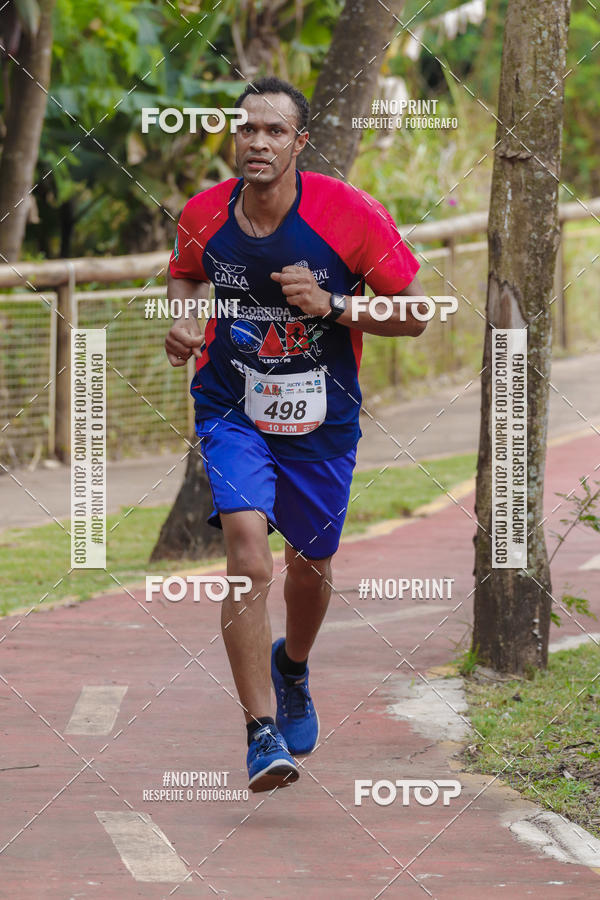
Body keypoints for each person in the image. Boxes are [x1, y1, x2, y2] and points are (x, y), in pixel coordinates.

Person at [165, 76, 427, 792]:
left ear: (298, 144)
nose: (258, 142)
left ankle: (294, 668)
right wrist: (184, 320)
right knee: (248, 552)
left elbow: (418, 312)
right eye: (248, 129)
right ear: (234, 137)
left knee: (312, 563)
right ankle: (260, 731)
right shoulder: (203, 213)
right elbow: (186, 275)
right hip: (231, 406)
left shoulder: (349, 215)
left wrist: (334, 304)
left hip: (321, 418)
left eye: (275, 132)